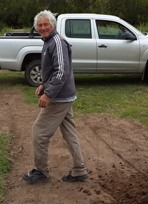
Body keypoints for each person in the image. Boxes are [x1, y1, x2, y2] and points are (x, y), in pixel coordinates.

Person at [22, 10, 89, 184]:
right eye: (40, 25)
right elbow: (55, 71)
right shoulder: (48, 41)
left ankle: (41, 172)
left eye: (46, 24)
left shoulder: (57, 42)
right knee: (70, 134)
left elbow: (62, 72)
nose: (43, 28)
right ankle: (79, 170)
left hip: (60, 97)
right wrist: (44, 85)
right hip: (64, 95)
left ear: (53, 25)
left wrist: (49, 94)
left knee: (39, 132)